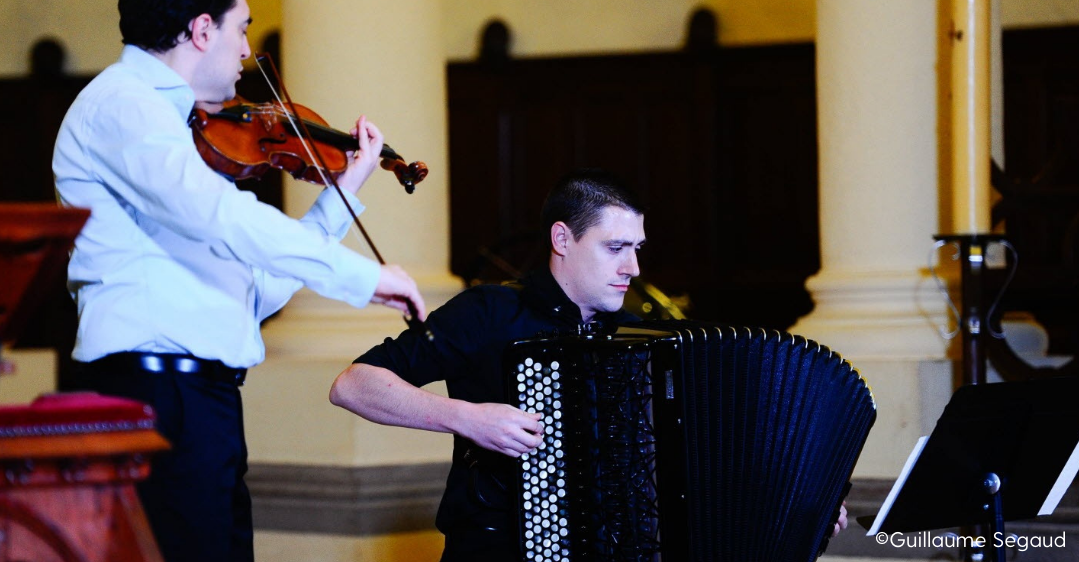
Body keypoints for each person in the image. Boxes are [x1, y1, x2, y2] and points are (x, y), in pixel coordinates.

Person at [52, 0, 425, 562]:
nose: (248, 50)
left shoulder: (179, 127)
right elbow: (221, 215)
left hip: (205, 403)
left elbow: (252, 292)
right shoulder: (123, 105)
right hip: (157, 397)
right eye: (242, 28)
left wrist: (344, 194)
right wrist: (362, 277)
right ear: (202, 30)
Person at [330, 169, 848, 561]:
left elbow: (703, 455)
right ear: (562, 240)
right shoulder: (488, 311)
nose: (633, 267)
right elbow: (353, 384)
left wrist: (799, 507)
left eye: (637, 248)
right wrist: (466, 417)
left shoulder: (643, 340)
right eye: (615, 248)